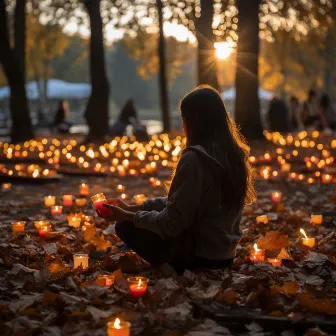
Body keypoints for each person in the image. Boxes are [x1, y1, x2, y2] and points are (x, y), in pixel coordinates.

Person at [98, 85, 256, 273]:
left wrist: (125, 216)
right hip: (224, 257)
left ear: (194, 121)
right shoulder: (232, 154)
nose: (182, 126)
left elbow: (171, 223)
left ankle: (172, 267)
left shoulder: (195, 158)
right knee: (134, 219)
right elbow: (184, 204)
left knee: (125, 226)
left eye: (184, 119)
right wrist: (131, 207)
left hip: (200, 258)